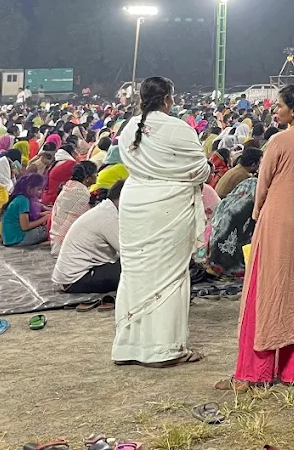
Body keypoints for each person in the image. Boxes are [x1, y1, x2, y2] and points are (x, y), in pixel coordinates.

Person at [220, 83, 294, 390]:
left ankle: (254, 373)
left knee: (264, 293)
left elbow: (263, 185)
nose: (274, 110)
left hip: (276, 222)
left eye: (279, 106)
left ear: (293, 110)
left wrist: (256, 216)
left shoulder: (280, 140)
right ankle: (288, 371)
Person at [112, 76, 211, 368]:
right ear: (168, 98)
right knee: (170, 277)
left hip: (134, 206)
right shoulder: (178, 129)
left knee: (135, 275)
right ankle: (165, 349)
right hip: (169, 207)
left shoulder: (129, 128)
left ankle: (127, 346)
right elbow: (200, 170)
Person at [53, 180, 124, 295]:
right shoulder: (107, 217)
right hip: (77, 280)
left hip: (72, 277)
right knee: (135, 267)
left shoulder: (105, 210)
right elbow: (127, 251)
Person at [49, 161, 98, 252]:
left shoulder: (69, 185)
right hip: (65, 245)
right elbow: (86, 220)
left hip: (56, 239)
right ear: (87, 178)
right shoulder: (81, 192)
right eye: (95, 173)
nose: (97, 176)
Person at [0, 173, 49, 246]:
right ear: (29, 188)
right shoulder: (23, 200)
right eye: (38, 189)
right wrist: (45, 218)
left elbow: (23, 217)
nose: (40, 192)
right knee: (47, 228)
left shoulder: (20, 198)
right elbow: (25, 226)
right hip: (17, 239)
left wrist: (42, 214)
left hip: (10, 239)